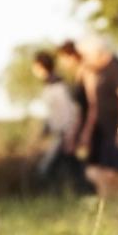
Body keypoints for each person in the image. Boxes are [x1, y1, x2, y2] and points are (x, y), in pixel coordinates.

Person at [75, 36, 118, 197]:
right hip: (108, 133)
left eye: (87, 56)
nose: (85, 60)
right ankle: (115, 208)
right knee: (107, 173)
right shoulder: (100, 72)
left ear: (98, 52)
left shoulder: (116, 68)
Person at [31, 51, 84, 192]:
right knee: (72, 167)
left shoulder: (58, 86)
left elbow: (70, 112)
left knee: (47, 169)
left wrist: (70, 134)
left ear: (40, 66)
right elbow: (53, 113)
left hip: (64, 133)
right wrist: (45, 128)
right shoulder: (50, 85)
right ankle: (79, 194)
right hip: (60, 132)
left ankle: (53, 195)